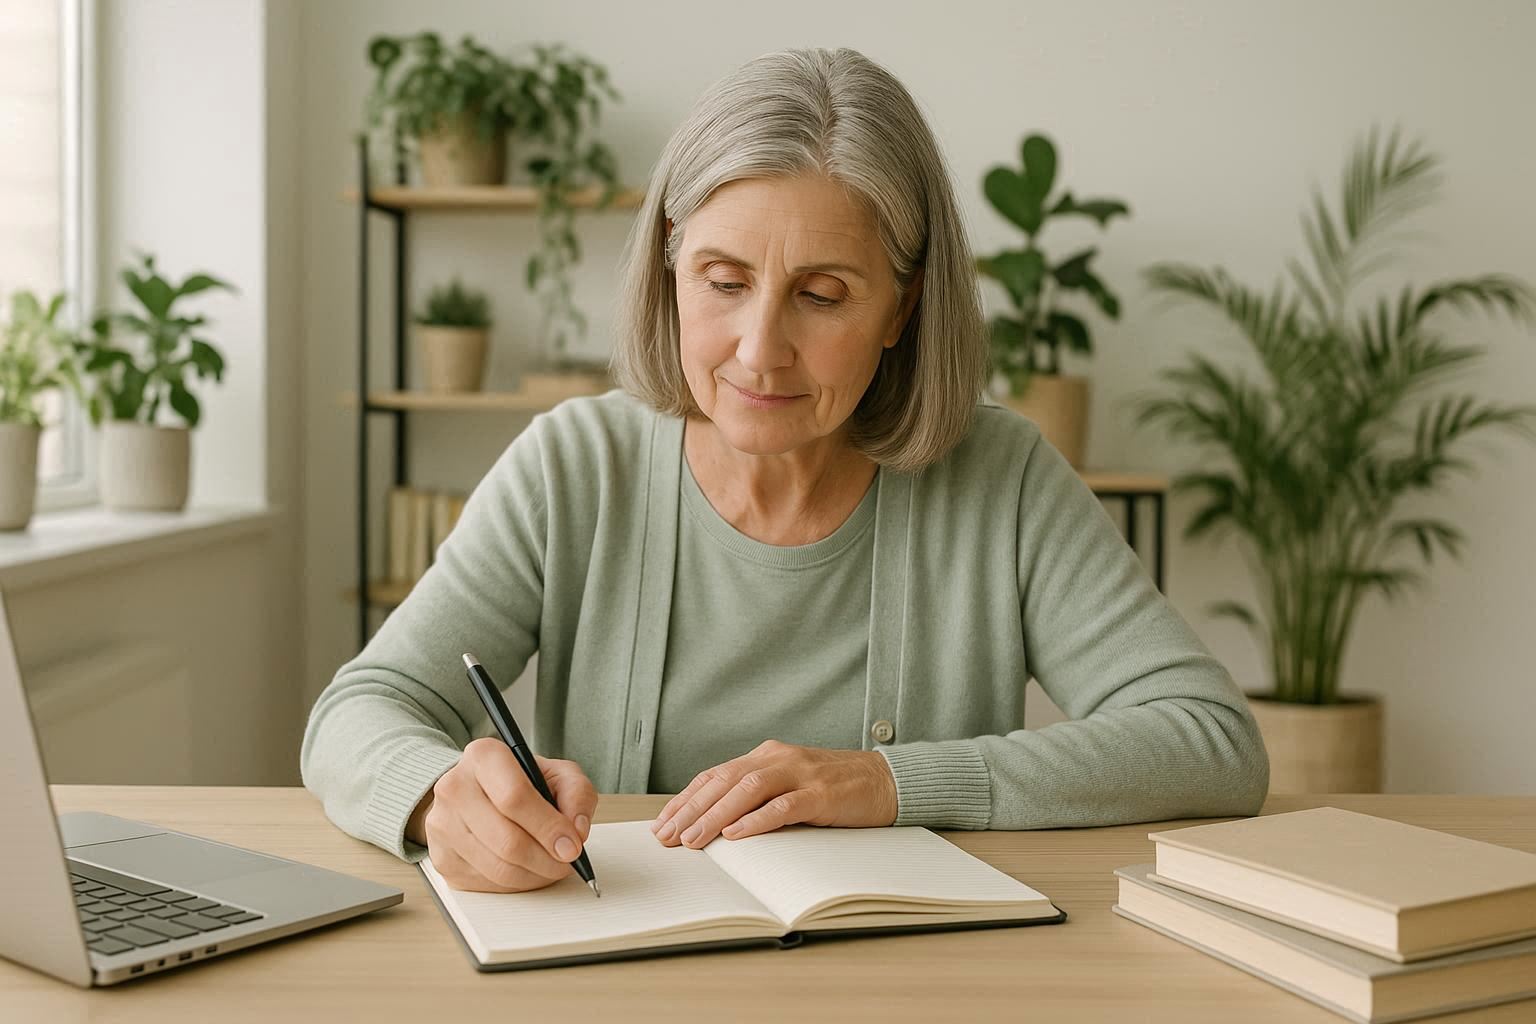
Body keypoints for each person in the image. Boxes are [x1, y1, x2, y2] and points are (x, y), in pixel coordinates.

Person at [301, 46, 1268, 894]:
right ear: (670, 271)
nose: (760, 351)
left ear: (901, 310)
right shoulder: (573, 467)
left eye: (823, 294)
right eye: (723, 283)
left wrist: (891, 783)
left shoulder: (1001, 477)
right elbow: (360, 710)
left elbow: (1209, 742)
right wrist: (438, 801)